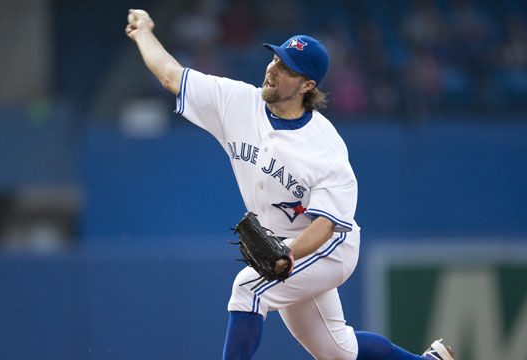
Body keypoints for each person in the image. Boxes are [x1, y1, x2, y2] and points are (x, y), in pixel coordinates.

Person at [125, 9, 454, 360]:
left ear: (307, 85)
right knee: (336, 351)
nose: (273, 69)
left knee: (248, 289)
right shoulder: (237, 102)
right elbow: (171, 77)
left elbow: (326, 225)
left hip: (329, 247)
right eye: (275, 58)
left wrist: (289, 253)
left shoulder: (324, 145)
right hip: (280, 245)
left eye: (286, 67)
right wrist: (144, 31)